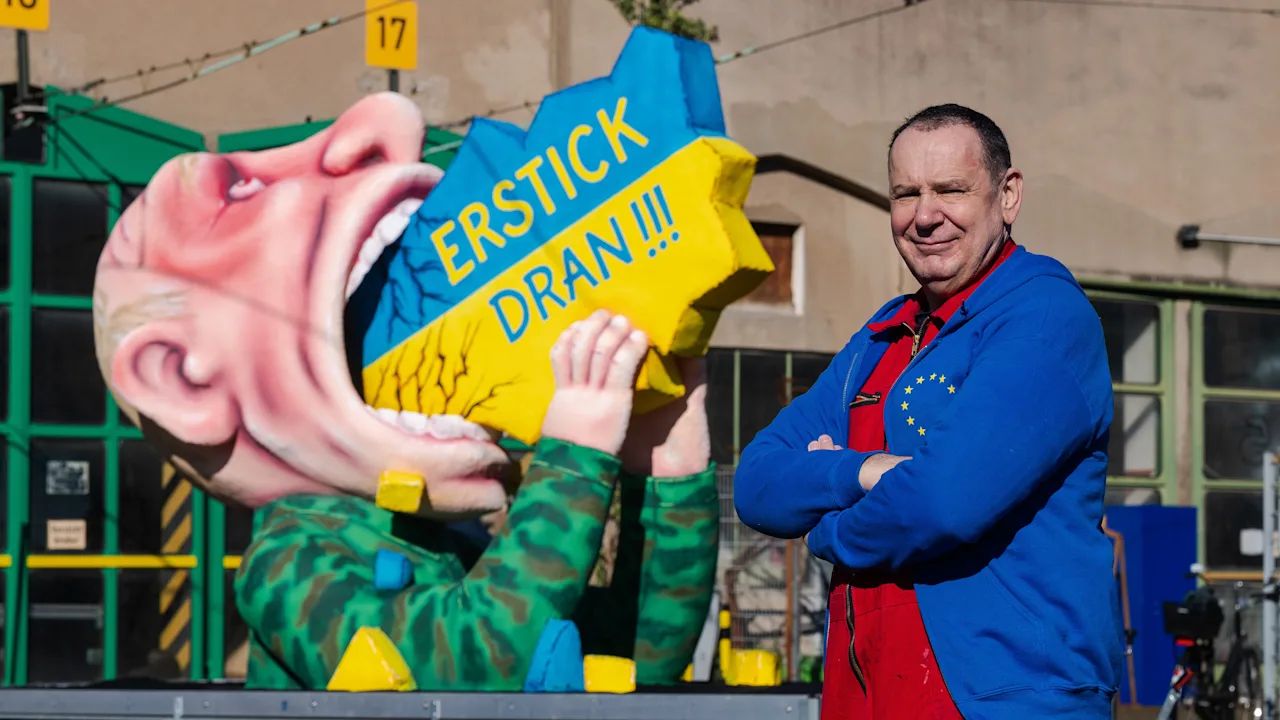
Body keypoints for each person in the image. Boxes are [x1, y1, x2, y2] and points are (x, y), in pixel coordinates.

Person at [93, 93, 718, 689]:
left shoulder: (449, 537)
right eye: (239, 190)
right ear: (180, 378)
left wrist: (667, 481)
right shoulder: (289, 562)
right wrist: (573, 460)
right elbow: (469, 672)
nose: (392, 124)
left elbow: (631, 659)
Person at [734, 104, 1122, 718]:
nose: (924, 216)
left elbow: (943, 503)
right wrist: (861, 471)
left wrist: (825, 530)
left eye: (950, 190)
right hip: (866, 693)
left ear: (1008, 195)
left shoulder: (1043, 319)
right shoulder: (881, 338)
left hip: (1006, 696)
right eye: (905, 194)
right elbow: (756, 484)